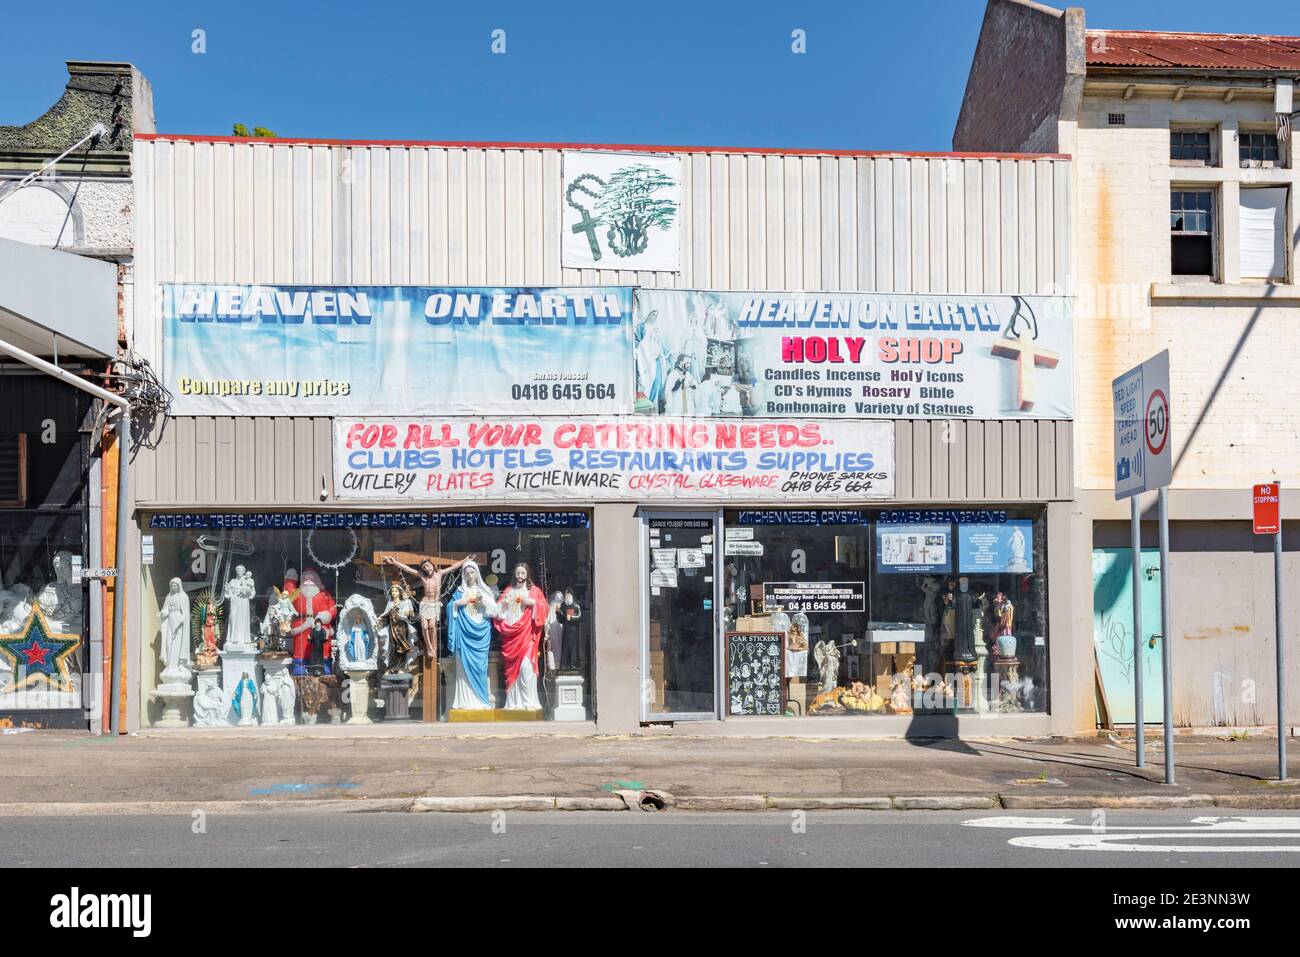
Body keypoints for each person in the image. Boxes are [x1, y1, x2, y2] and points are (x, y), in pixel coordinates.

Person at [382, 554, 472, 658]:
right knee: (424, 627)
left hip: (434, 604)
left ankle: (432, 647)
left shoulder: (440, 574)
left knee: (432, 626)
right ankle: (429, 646)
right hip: (424, 604)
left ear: (432, 565)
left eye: (427, 565)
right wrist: (395, 562)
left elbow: (453, 567)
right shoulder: (423, 576)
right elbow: (408, 569)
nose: (426, 568)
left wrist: (465, 559)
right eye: (424, 567)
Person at [445, 560, 498, 710]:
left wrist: (484, 602)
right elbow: (450, 607)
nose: (470, 575)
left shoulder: (485, 590)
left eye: (472, 572)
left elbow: (495, 612)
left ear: (477, 573)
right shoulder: (459, 592)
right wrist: (456, 604)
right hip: (464, 634)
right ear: (464, 575)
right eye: (467, 573)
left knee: (481, 668)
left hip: (481, 633)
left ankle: (481, 700)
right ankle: (464, 702)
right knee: (463, 668)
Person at [495, 563, 549, 711]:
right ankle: (513, 703)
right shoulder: (508, 591)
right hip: (510, 636)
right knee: (512, 671)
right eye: (518, 573)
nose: (520, 576)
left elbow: (544, 608)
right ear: (514, 575)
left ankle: (528, 702)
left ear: (527, 574)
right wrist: (504, 604)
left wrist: (531, 603)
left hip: (526, 634)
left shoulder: (535, 591)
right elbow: (497, 613)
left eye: (523, 573)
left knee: (526, 668)